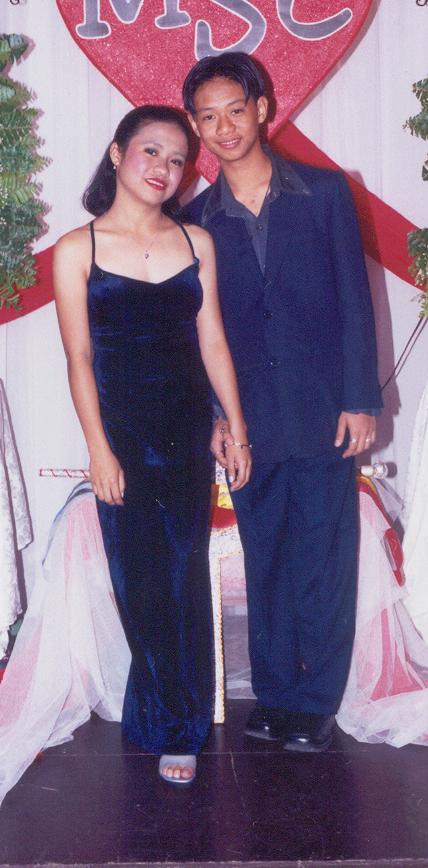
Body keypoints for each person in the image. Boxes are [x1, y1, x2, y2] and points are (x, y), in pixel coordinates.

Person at [182, 54, 382, 752]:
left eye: (235, 110)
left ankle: (317, 699)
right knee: (264, 553)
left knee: (324, 553)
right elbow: (199, 331)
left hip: (325, 408)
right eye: (208, 117)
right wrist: (216, 417)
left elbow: (356, 301)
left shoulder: (324, 192)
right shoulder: (195, 219)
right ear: (195, 126)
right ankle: (274, 693)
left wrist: (361, 398)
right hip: (248, 419)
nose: (224, 127)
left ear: (262, 108)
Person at [53, 105, 251, 785]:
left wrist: (235, 425)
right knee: (139, 585)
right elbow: (79, 358)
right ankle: (160, 713)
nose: (164, 168)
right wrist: (98, 449)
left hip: (187, 430)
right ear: (117, 154)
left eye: (177, 159)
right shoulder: (77, 249)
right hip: (124, 437)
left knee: (182, 576)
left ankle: (176, 729)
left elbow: (213, 339)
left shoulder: (197, 242)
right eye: (150, 151)